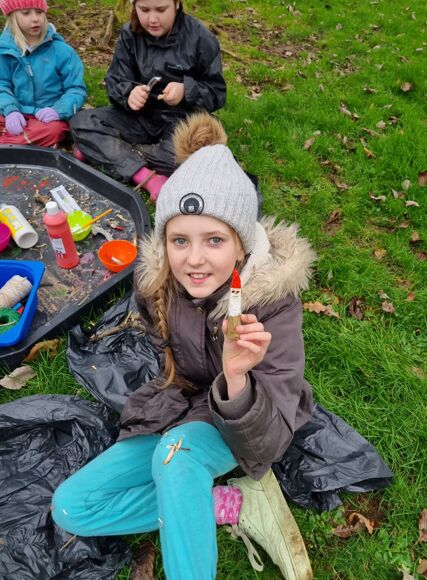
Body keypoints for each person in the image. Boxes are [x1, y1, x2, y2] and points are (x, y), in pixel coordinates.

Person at [52, 112, 316, 580]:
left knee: (176, 453)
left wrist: (237, 378)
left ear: (241, 246)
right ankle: (225, 505)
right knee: (72, 508)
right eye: (180, 240)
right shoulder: (159, 285)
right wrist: (169, 398)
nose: (194, 260)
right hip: (182, 404)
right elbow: (167, 357)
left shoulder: (273, 305)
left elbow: (272, 436)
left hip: (246, 421)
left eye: (214, 239)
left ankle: (189, 499)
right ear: (165, 240)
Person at [69, 0, 226, 202]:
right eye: (144, 10)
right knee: (81, 122)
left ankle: (110, 152)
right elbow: (115, 80)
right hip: (137, 118)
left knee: (199, 158)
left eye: (161, 10)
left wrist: (186, 91)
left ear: (177, 4)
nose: (152, 19)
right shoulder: (129, 34)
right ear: (134, 6)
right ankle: (147, 176)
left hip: (180, 123)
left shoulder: (200, 38)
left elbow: (217, 92)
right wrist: (128, 94)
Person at [0, 0, 87, 148]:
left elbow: (76, 89)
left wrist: (58, 110)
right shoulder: (4, 51)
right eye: (26, 13)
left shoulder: (62, 51)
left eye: (39, 12)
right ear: (12, 17)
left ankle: (9, 145)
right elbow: (2, 85)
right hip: (16, 111)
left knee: (54, 130)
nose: (35, 18)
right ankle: (19, 144)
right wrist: (10, 110)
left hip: (45, 117)